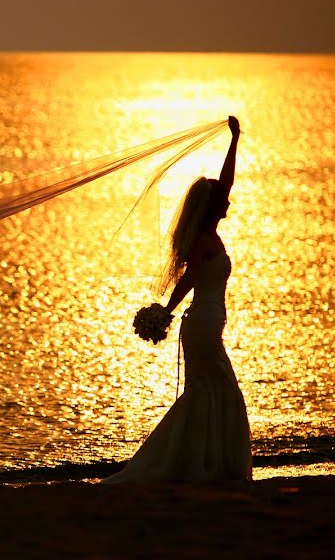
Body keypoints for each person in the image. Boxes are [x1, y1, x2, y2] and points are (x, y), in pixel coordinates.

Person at [103, 116, 252, 483]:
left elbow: (227, 182)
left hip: (206, 320)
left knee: (211, 389)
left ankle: (203, 462)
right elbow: (188, 280)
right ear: (212, 205)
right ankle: (198, 464)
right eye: (223, 200)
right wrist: (167, 311)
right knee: (212, 388)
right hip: (201, 323)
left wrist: (236, 140)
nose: (228, 203)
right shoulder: (203, 238)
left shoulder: (209, 233)